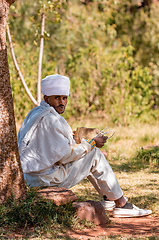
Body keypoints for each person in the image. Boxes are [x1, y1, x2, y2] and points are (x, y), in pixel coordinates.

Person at [17, 74, 152, 218]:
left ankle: (108, 199)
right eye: (57, 98)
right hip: (45, 179)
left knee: (89, 153)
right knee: (94, 154)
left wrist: (74, 137)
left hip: (31, 178)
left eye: (64, 98)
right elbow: (65, 156)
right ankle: (121, 204)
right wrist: (92, 143)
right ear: (46, 98)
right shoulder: (50, 119)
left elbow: (48, 144)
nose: (62, 102)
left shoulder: (35, 113)